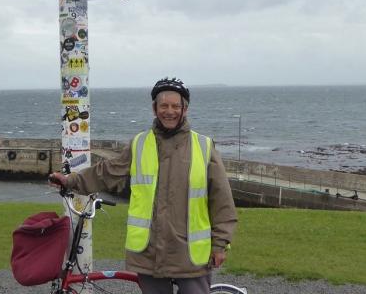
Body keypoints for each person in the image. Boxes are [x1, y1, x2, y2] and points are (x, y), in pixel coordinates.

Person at [49, 77, 237, 294]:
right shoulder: (139, 144)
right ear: (154, 108)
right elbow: (107, 172)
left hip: (190, 256)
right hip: (149, 254)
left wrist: (220, 245)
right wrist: (71, 181)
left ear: (185, 109)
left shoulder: (203, 146)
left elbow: (222, 200)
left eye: (176, 106)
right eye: (164, 105)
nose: (170, 111)